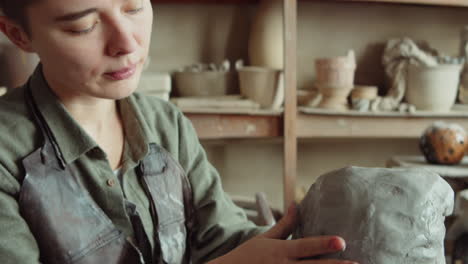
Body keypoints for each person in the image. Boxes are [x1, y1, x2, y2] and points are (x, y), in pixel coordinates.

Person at [0, 0, 358, 263]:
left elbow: (223, 240)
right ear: (18, 34)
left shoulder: (166, 124)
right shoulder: (8, 151)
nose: (126, 43)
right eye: (84, 26)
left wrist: (295, 247)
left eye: (134, 8)